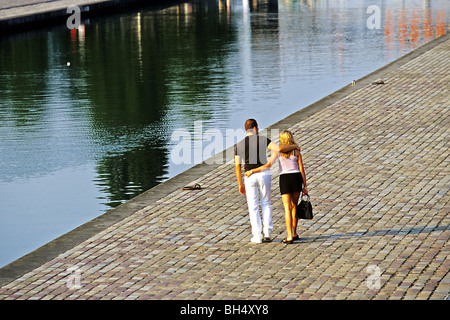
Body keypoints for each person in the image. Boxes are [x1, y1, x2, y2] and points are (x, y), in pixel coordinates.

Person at [234, 119, 298, 244]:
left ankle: (257, 236)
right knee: (266, 203)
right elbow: (279, 148)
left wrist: (240, 183)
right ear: (256, 128)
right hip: (264, 174)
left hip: (249, 176)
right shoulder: (262, 139)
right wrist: (294, 146)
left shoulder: (240, 144)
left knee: (253, 207)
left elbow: (237, 166)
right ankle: (267, 233)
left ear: (246, 129)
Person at [245, 130, 308, 244]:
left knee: (287, 208)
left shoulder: (278, 152)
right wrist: (305, 186)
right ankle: (294, 233)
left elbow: (268, 165)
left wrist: (252, 171)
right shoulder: (296, 151)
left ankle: (289, 236)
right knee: (294, 206)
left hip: (285, 179)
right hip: (296, 177)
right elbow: (302, 170)